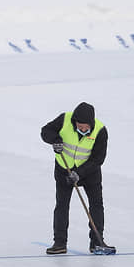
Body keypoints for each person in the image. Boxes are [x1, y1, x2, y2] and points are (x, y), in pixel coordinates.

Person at [40, 101, 112, 255]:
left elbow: (98, 159)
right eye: (80, 125)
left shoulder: (100, 131)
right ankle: (59, 243)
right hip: (64, 169)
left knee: (96, 205)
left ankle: (97, 243)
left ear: (91, 123)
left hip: (89, 172)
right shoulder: (65, 119)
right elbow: (45, 131)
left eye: (86, 126)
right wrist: (55, 140)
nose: (83, 129)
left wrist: (79, 173)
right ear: (75, 121)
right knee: (62, 205)